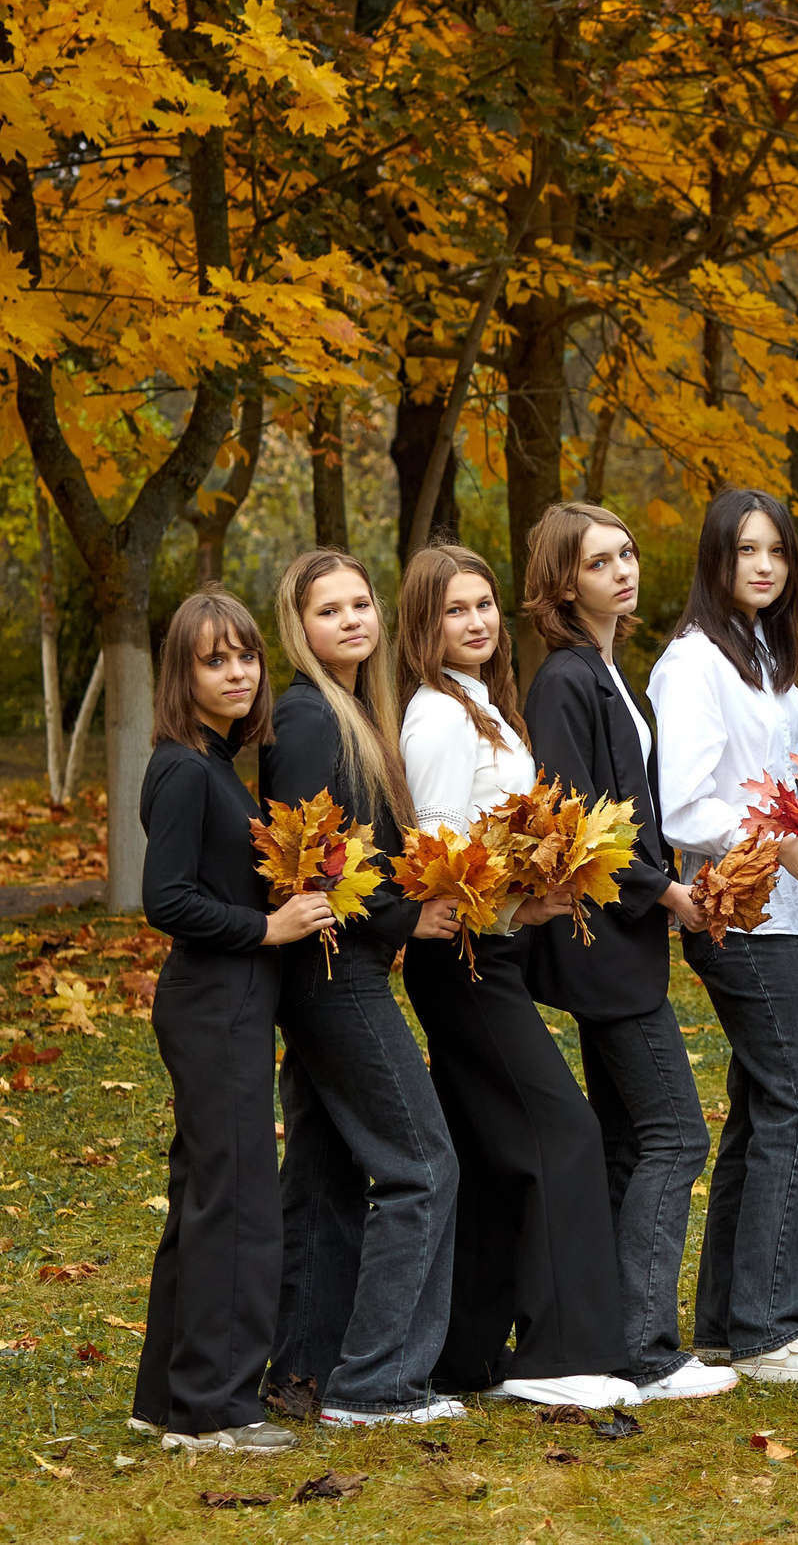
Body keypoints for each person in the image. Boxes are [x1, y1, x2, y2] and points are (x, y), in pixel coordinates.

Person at [396, 542, 636, 1411]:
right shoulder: (435, 716)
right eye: (454, 610)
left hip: (490, 950)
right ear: (423, 626)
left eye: (484, 605)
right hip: (461, 961)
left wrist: (537, 887)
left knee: (491, 1157)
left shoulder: (484, 705)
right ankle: (563, 1356)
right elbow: (437, 854)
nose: (476, 622)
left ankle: (464, 1354)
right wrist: (515, 908)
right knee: (562, 1133)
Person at [650, 488, 798, 1384]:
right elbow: (683, 804)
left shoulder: (760, 653)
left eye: (777, 550)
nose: (765, 566)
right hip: (737, 913)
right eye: (746, 550)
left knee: (759, 1110)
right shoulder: (694, 662)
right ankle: (770, 1330)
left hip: (783, 915)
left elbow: (777, 765)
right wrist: (773, 846)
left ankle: (725, 1319)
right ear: (716, 558)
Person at [521, 502, 730, 1402]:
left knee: (626, 1142)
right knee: (676, 1135)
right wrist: (664, 890)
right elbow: (576, 818)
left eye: (628, 554)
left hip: (626, 937)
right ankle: (645, 1348)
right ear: (563, 583)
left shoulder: (610, 671)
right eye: (600, 562)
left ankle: (607, 1336)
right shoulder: (566, 679)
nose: (623, 571)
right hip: (600, 944)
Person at [262, 551, 465, 1428]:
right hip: (334, 974)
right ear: (298, 627)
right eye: (328, 610)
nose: (351, 620)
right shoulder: (309, 718)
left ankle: (302, 1373)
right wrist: (405, 917)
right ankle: (376, 1384)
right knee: (423, 1166)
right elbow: (314, 859)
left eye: (359, 604)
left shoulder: (353, 715)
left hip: (335, 973)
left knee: (323, 1174)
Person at [132, 589, 328, 1454]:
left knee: (206, 1198)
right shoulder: (184, 767)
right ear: (183, 672)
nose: (238, 672)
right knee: (238, 1203)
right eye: (215, 660)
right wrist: (266, 928)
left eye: (246, 655)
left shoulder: (214, 762)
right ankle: (213, 1410)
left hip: (226, 1002)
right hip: (213, 1002)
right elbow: (165, 899)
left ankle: (166, 1400)